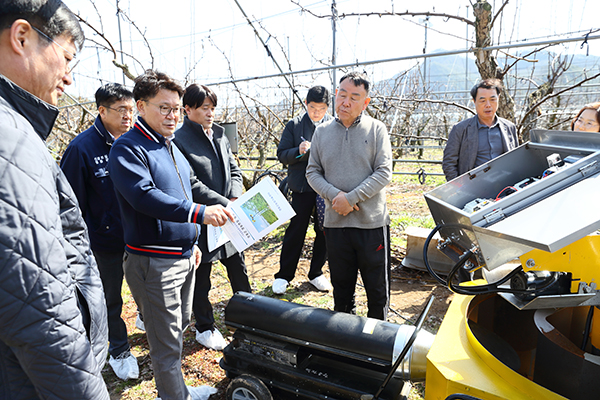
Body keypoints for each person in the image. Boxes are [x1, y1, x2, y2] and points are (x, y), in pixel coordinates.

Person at [0, 1, 110, 398]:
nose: (67, 77)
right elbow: (38, 306)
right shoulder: (10, 139)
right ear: (22, 36)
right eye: (66, 58)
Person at [108, 70, 231, 400]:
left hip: (183, 255)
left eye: (176, 108)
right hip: (153, 261)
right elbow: (144, 196)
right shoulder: (128, 149)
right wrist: (199, 214)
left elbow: (192, 186)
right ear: (141, 106)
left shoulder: (170, 146)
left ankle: (177, 389)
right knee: (165, 343)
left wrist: (228, 204)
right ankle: (173, 395)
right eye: (164, 108)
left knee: (178, 329)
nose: (173, 115)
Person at [60, 83, 139, 380]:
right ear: (101, 110)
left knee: (145, 290)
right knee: (110, 299)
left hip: (138, 237)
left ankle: (143, 322)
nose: (128, 116)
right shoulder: (82, 149)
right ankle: (118, 349)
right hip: (104, 242)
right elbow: (70, 204)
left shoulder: (135, 142)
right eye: (121, 110)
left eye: (132, 110)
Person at [306, 72, 393, 320]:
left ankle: (379, 345)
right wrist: (336, 197)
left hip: (371, 224)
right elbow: (312, 172)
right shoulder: (322, 133)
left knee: (377, 292)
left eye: (354, 98)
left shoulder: (377, 129)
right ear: (336, 96)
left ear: (365, 103)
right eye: (342, 95)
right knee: (342, 292)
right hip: (336, 225)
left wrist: (351, 198)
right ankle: (346, 344)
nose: (346, 102)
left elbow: (384, 172)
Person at [174, 84, 251, 351]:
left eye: (212, 108)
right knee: (202, 276)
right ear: (188, 109)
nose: (210, 113)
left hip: (228, 216)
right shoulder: (180, 140)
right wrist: (221, 203)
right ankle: (204, 327)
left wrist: (234, 196)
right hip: (202, 218)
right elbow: (191, 184)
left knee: (238, 269)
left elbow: (234, 168)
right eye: (204, 108)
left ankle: (251, 318)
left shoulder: (220, 135)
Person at [272, 86, 333, 295]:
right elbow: (281, 154)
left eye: (322, 108)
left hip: (325, 187)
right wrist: (298, 151)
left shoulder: (333, 124)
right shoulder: (295, 125)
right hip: (302, 186)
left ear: (327, 108)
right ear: (306, 104)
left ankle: (316, 272)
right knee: (296, 230)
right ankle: (283, 275)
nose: (317, 112)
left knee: (324, 230)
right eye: (312, 107)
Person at [442, 78, 519, 181]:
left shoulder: (509, 127)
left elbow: (516, 159)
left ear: (498, 98)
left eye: (492, 99)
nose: (488, 105)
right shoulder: (460, 129)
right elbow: (449, 163)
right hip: (472, 189)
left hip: (504, 187)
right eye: (482, 101)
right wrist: (459, 189)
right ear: (474, 101)